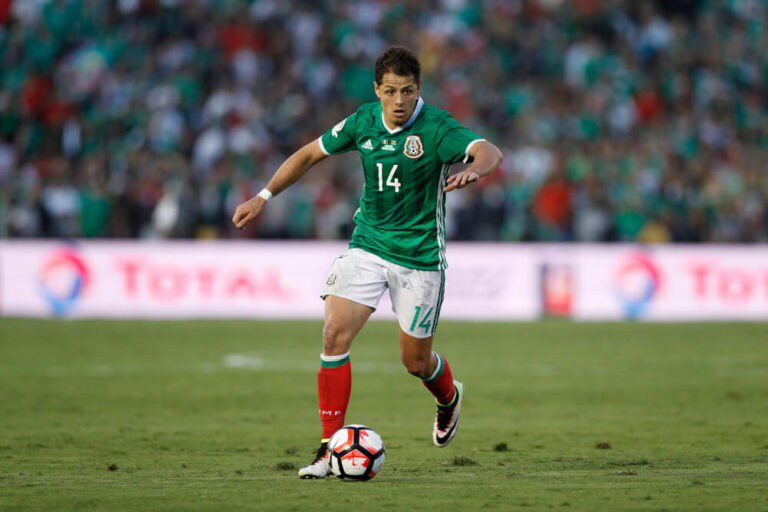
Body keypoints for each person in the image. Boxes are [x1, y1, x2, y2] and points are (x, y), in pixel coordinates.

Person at [232, 46, 503, 479]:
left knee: (416, 363)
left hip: (419, 257)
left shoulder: (437, 128)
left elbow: (488, 150)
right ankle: (327, 449)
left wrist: (476, 169)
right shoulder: (362, 121)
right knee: (334, 334)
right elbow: (308, 155)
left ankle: (448, 397)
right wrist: (263, 196)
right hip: (368, 246)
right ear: (377, 89)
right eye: (390, 91)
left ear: (419, 90)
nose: (399, 101)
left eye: (408, 91)